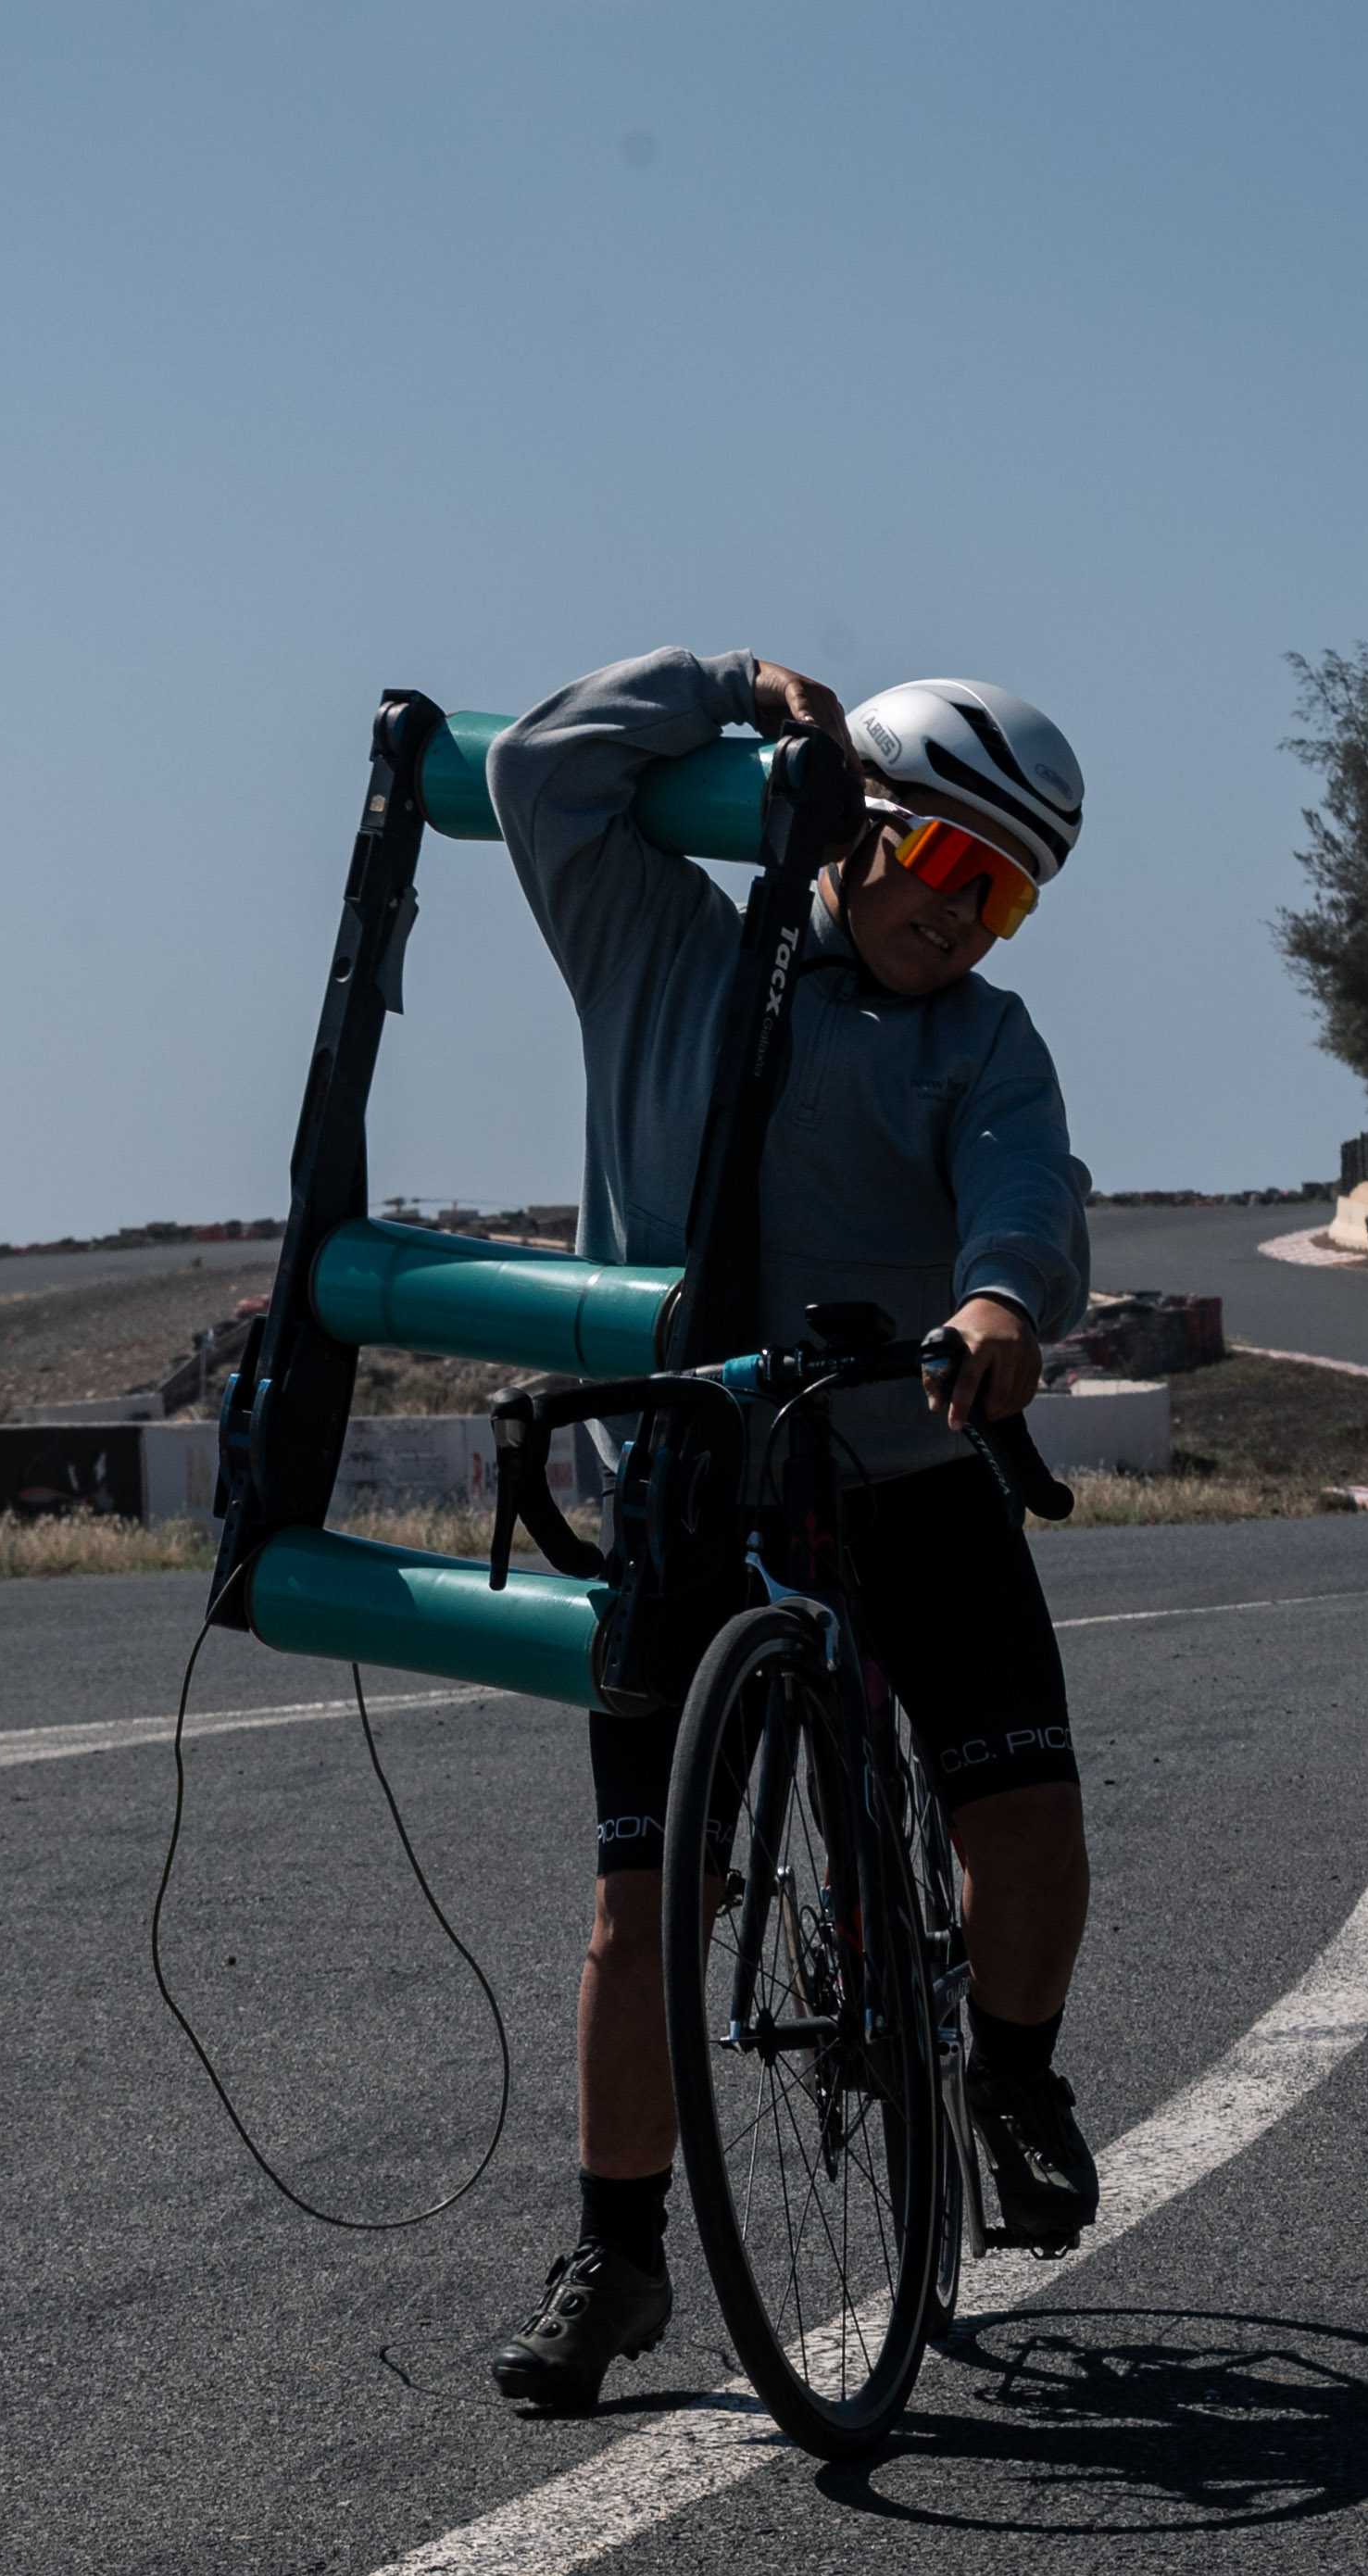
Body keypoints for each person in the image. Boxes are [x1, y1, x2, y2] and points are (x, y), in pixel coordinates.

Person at [478, 648, 1103, 2414]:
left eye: (1006, 896)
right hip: (686, 1478)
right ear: (855, 824)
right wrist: (729, 685)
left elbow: (1026, 1185)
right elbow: (539, 771)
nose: (963, 918)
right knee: (640, 1906)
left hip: (913, 1458)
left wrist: (1001, 1303)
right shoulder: (665, 948)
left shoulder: (982, 1040)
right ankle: (614, 2251)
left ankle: (1010, 2078)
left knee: (1028, 1827)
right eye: (947, 863)